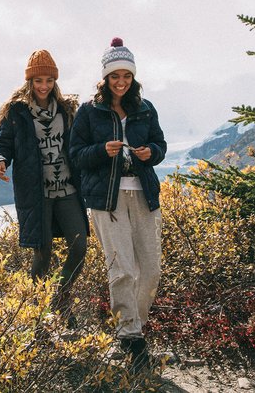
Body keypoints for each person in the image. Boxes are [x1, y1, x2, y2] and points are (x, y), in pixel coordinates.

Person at [69, 37, 167, 372]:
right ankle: (132, 337)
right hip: (106, 200)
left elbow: (160, 145)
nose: (121, 82)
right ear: (105, 78)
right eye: (115, 76)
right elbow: (76, 156)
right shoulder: (89, 111)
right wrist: (101, 151)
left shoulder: (145, 108)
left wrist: (150, 153)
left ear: (133, 77)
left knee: (150, 270)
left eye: (126, 76)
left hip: (143, 194)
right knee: (123, 268)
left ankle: (130, 329)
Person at [0, 50, 88, 323]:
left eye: (48, 80)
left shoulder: (68, 110)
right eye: (37, 81)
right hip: (36, 192)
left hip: (68, 189)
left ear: (55, 81)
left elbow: (79, 142)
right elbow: (4, 143)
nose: (43, 86)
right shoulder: (16, 112)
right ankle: (36, 314)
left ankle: (61, 297)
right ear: (29, 82)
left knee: (79, 246)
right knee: (42, 252)